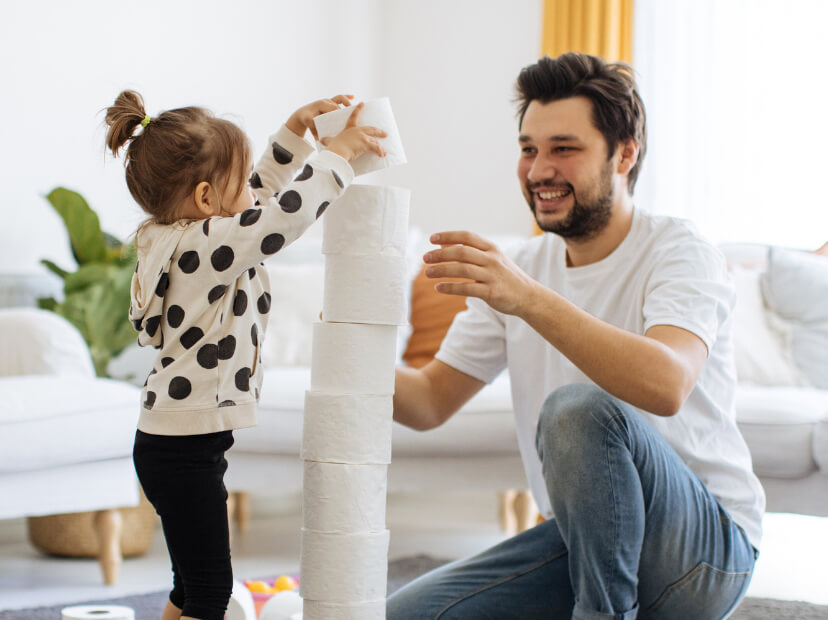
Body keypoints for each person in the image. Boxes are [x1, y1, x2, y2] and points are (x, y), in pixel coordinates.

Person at [388, 53, 764, 620]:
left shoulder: (681, 251)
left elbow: (667, 384)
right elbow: (427, 402)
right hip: (585, 542)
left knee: (579, 410)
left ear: (625, 153)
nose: (539, 170)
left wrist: (528, 299)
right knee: (411, 614)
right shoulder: (520, 268)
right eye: (528, 149)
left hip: (702, 550)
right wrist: (338, 347)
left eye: (564, 148)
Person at [105, 90, 385, 620]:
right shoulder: (207, 246)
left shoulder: (175, 236)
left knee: (189, 588)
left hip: (172, 442)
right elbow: (280, 219)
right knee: (211, 594)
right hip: (184, 450)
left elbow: (260, 195)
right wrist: (336, 158)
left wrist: (293, 133)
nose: (249, 193)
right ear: (207, 199)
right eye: (236, 185)